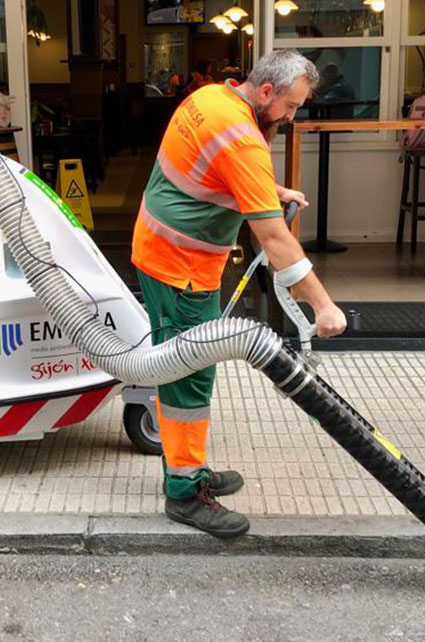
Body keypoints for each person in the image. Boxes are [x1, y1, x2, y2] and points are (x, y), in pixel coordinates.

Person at [131, 50, 349, 538]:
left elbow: (217, 168)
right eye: (291, 107)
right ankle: (185, 493)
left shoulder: (211, 98)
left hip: (163, 251)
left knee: (190, 368)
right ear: (267, 92)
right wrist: (322, 305)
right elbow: (274, 241)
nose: (292, 118)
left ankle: (188, 469)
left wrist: (269, 190)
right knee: (187, 378)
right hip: (179, 267)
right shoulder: (243, 138)